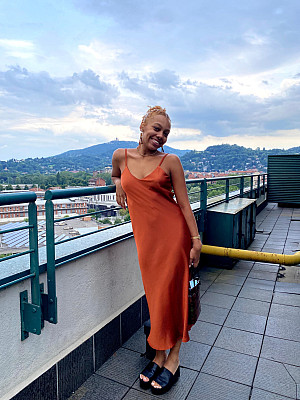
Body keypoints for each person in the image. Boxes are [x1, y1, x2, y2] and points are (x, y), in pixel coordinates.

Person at [111, 106, 202, 395]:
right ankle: (159, 355)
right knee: (156, 298)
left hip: (173, 236)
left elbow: (184, 204)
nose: (160, 135)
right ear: (142, 126)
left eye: (165, 133)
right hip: (146, 243)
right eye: (156, 128)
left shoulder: (170, 161)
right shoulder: (120, 156)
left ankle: (172, 359)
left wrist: (196, 240)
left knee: (172, 296)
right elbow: (115, 174)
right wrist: (118, 185)